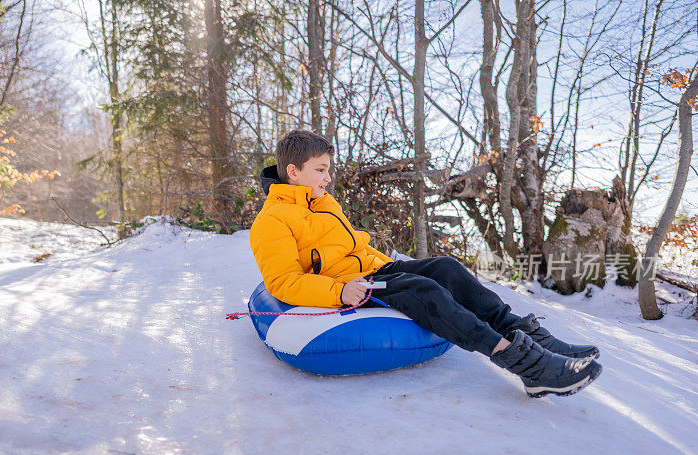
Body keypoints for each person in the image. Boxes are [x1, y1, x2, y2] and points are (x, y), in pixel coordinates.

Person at [249, 130, 602, 398]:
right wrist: (340, 292)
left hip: (375, 270)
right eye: (320, 170)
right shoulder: (273, 220)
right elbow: (282, 281)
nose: (328, 178)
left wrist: (396, 265)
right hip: (352, 286)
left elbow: (352, 247)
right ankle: (526, 365)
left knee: (445, 268)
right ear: (293, 171)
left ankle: (536, 339)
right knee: (424, 290)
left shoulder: (323, 202)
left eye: (329, 170)